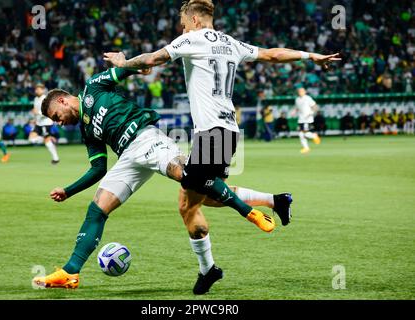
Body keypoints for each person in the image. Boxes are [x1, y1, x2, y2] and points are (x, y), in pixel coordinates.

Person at [104, 0, 340, 292]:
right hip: (228, 131)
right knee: (202, 199)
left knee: (189, 195)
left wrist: (123, 64)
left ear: (193, 19)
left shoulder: (191, 39)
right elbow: (272, 55)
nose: (182, 28)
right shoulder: (231, 43)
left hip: (211, 132)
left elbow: (152, 60)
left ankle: (238, 231)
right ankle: (274, 203)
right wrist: (310, 55)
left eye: (183, 22)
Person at [33, 67, 289, 294]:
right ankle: (70, 272)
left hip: (146, 139)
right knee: (97, 210)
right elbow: (98, 168)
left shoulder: (93, 87)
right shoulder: (87, 130)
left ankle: (249, 212)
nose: (59, 123)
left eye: (56, 116)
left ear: (64, 100)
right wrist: (68, 191)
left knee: (191, 179)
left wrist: (135, 66)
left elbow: (126, 68)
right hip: (128, 159)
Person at [29, 83, 60, 164]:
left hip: (46, 123)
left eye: (39, 89)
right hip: (39, 123)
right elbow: (35, 110)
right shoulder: (36, 99)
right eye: (36, 89)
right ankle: (50, 139)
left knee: (47, 143)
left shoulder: (46, 99)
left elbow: (48, 111)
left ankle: (55, 159)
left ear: (43, 90)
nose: (37, 90)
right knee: (31, 139)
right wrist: (34, 119)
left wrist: (37, 113)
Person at [291, 88, 321, 154]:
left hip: (307, 119)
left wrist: (311, 112)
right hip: (301, 119)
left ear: (305, 92)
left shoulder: (308, 98)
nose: (300, 92)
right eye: (299, 91)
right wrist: (293, 112)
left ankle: (314, 136)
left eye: (302, 91)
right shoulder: (297, 99)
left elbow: (315, 106)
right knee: (301, 134)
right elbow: (297, 108)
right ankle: (306, 148)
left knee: (303, 133)